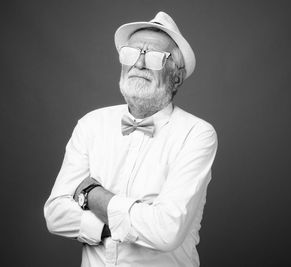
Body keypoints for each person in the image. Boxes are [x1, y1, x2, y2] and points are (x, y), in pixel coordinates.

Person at [44, 11, 218, 267]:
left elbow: (166, 231)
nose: (139, 64)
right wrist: (118, 226)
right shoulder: (91, 124)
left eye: (156, 57)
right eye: (131, 53)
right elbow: (56, 215)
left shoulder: (197, 134)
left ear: (176, 77)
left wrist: (92, 194)